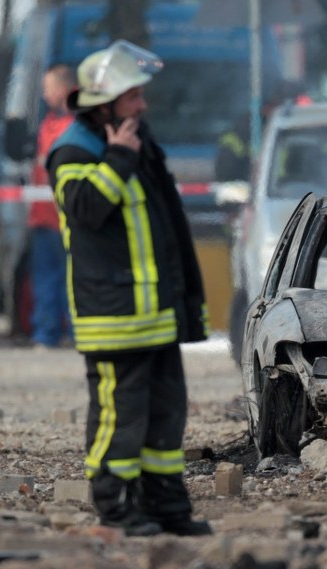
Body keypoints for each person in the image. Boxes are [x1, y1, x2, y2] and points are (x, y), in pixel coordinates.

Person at [46, 40, 211, 537]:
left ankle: (165, 507)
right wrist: (118, 157)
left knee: (165, 416)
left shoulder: (137, 140)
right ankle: (115, 508)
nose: (142, 105)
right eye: (133, 96)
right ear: (107, 101)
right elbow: (85, 210)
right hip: (115, 317)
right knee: (120, 417)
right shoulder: (75, 148)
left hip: (155, 313)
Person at [28, 65, 76, 348]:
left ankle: (75, 333)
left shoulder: (77, 124)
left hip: (67, 217)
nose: (45, 95)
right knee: (45, 279)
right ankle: (46, 334)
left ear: (62, 89)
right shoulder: (50, 122)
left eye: (48, 88)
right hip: (44, 217)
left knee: (71, 279)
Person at [214, 80, 299, 182]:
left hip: (291, 192)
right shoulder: (246, 128)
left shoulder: (299, 131)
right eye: (277, 105)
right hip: (249, 189)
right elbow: (225, 166)